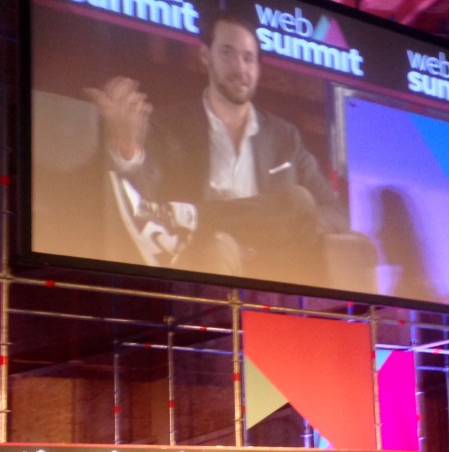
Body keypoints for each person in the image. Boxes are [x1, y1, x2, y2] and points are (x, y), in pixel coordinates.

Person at [85, 9, 348, 284]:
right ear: (205, 56)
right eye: (227, 53)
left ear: (258, 68)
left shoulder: (285, 137)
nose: (240, 68)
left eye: (248, 58)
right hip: (203, 257)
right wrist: (128, 150)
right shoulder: (169, 124)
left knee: (298, 203)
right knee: (220, 244)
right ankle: (192, 223)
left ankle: (191, 218)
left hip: (272, 264)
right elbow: (144, 201)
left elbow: (336, 215)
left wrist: (284, 222)